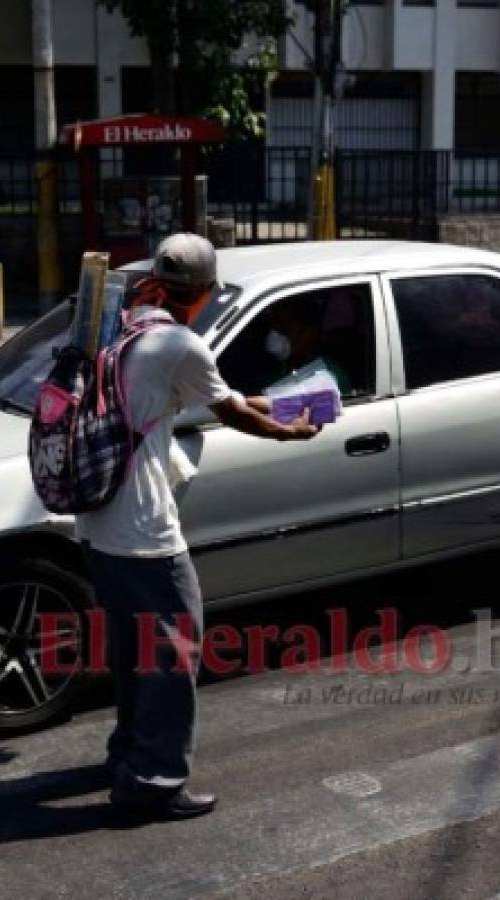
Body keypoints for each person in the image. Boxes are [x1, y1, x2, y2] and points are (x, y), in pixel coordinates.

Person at [76, 232, 321, 821]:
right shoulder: (180, 343)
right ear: (206, 292)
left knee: (137, 650)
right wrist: (294, 430)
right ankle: (154, 780)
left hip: (97, 524)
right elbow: (229, 411)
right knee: (174, 653)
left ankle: (129, 756)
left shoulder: (124, 324)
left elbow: (219, 396)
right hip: (145, 533)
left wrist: (288, 402)